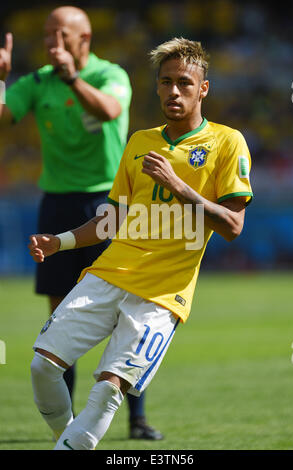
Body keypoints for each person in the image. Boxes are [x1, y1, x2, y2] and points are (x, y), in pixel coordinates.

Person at [28, 37, 253, 450]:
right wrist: (59, 242)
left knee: (109, 387)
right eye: (166, 82)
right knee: (42, 366)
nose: (173, 91)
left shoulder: (227, 142)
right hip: (108, 274)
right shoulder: (139, 142)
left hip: (161, 295)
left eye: (184, 82)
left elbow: (233, 225)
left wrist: (179, 186)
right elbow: (110, 220)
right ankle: (70, 439)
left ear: (203, 88)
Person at [0, 6, 163, 440]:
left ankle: (137, 419)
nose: (52, 40)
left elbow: (110, 110)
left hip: (108, 202)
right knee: (60, 311)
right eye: (48, 32)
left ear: (84, 38)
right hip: (55, 202)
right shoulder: (36, 81)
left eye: (62, 33)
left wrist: (73, 77)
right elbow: (4, 117)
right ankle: (66, 424)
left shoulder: (111, 74)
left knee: (128, 309)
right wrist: (1, 79)